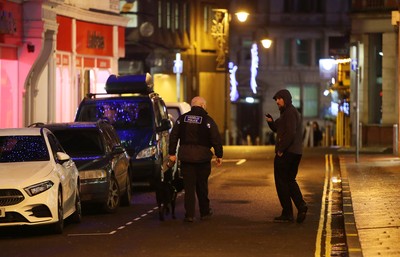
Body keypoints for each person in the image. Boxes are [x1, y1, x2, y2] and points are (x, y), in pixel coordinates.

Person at [168, 96, 223, 222]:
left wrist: (172, 153)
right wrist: (219, 155)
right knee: (202, 186)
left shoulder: (182, 119)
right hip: (203, 158)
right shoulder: (207, 120)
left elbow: (174, 136)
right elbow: (215, 138)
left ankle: (189, 215)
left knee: (189, 187)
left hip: (186, 158)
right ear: (203, 106)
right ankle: (204, 212)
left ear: (192, 105)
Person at [265, 89, 308, 223]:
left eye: (279, 98)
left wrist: (281, 149)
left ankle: (288, 212)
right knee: (289, 180)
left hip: (288, 152)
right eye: (276, 99)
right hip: (294, 152)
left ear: (286, 99)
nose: (277, 101)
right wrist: (271, 122)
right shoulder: (287, 113)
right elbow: (278, 127)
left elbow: (290, 133)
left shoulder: (289, 113)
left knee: (281, 182)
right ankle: (301, 206)